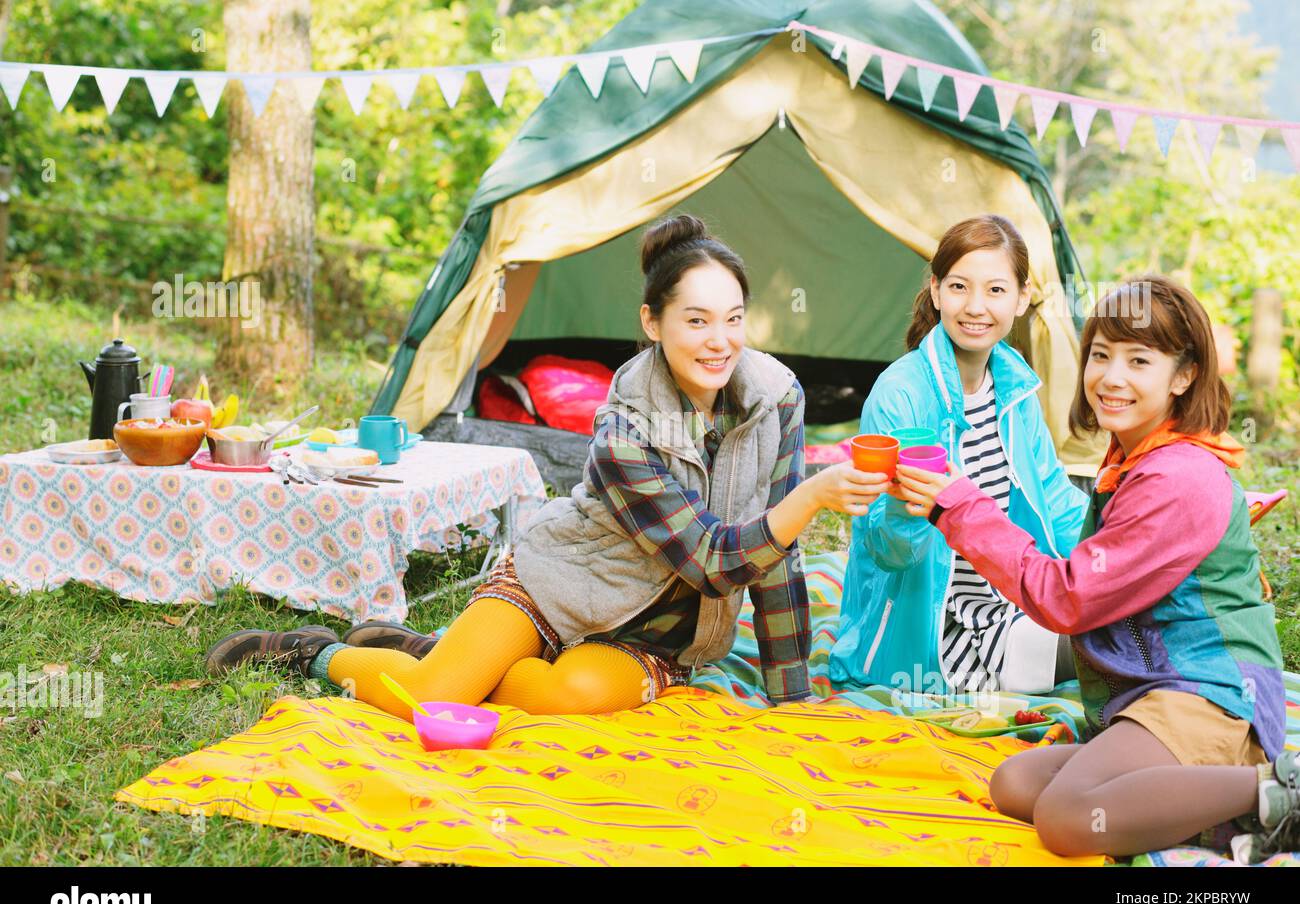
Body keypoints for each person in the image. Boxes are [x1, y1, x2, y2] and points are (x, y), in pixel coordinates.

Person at [205, 215, 889, 717]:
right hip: (565, 579)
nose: (721, 342)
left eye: (734, 319)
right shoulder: (624, 426)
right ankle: (314, 651)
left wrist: (790, 693)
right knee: (433, 698)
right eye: (697, 321)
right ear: (652, 323)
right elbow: (712, 560)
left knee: (570, 694)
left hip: (660, 632)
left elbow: (776, 559)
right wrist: (817, 497)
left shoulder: (778, 398)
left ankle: (431, 648)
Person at [894, 276, 1294, 861]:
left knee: (1068, 819)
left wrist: (959, 504)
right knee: (1016, 785)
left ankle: (1278, 787)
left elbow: (1067, 598)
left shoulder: (1177, 477)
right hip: (1147, 694)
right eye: (1101, 355)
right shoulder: (1133, 459)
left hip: (1211, 697)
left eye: (1139, 360)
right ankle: (1243, 818)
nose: (1111, 377)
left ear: (1183, 376)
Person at [831, 215, 1086, 697]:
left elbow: (1055, 501)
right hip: (929, 626)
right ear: (935, 290)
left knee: (1134, 623)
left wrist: (1117, 554)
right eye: (959, 287)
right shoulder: (899, 395)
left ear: (1021, 297)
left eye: (995, 290)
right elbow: (887, 550)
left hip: (1007, 598)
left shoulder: (1015, 389)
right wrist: (915, 507)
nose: (975, 307)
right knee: (1117, 653)